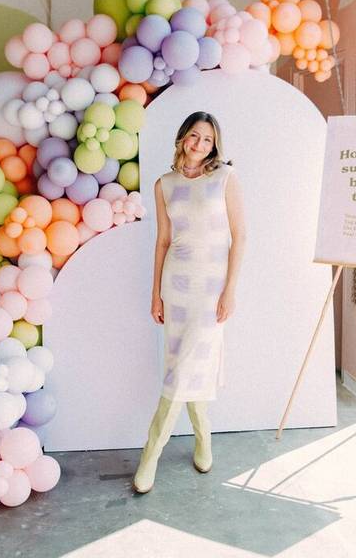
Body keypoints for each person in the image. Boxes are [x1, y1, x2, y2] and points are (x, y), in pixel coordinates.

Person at [133, 111, 246, 494]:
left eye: (208, 140)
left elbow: (240, 237)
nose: (200, 145)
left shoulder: (225, 178)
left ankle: (150, 456)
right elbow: (163, 241)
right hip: (176, 289)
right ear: (182, 138)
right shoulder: (164, 184)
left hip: (210, 289)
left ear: (216, 145)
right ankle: (203, 439)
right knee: (183, 368)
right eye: (194, 136)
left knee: (181, 373)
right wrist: (155, 294)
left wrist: (230, 290)